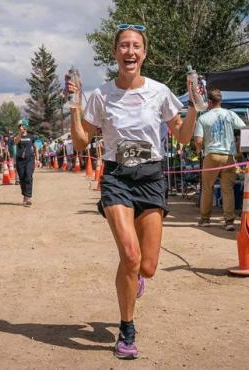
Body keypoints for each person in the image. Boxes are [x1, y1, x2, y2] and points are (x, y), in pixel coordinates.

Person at [66, 23, 197, 359]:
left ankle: (134, 277)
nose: (129, 51)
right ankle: (126, 329)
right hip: (118, 179)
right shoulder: (101, 95)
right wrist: (75, 108)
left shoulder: (159, 92)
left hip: (152, 178)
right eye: (123, 45)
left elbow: (181, 136)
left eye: (135, 46)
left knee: (148, 267)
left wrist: (195, 106)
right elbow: (82, 143)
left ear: (144, 53)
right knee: (131, 255)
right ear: (115, 53)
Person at [194, 88, 246, 230]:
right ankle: (229, 221)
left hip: (211, 155)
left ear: (209, 102)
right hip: (228, 156)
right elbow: (245, 128)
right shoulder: (230, 114)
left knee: (207, 188)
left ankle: (205, 219)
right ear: (220, 101)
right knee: (227, 189)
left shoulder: (203, 118)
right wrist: (239, 146)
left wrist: (199, 151)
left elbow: (198, 140)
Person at [14, 119, 38, 206]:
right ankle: (25, 195)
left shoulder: (31, 137)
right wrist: (20, 133)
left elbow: (35, 148)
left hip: (29, 159)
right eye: (20, 126)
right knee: (22, 178)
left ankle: (28, 197)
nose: (22, 127)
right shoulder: (17, 136)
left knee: (28, 176)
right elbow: (16, 142)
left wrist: (37, 159)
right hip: (20, 160)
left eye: (23, 126)